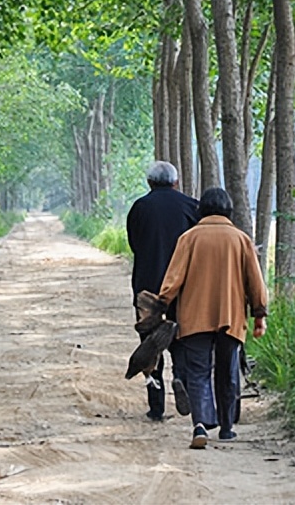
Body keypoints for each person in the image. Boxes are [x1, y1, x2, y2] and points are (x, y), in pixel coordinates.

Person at [157, 187, 268, 449]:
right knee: (228, 371)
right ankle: (227, 428)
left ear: (201, 210)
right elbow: (256, 281)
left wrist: (162, 304)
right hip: (231, 315)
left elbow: (173, 279)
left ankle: (201, 424)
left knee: (198, 371)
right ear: (228, 210)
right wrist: (259, 314)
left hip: (194, 316)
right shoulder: (241, 240)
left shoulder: (189, 238)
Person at [126, 161, 199, 421]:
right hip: (183, 287)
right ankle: (181, 378)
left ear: (149, 183)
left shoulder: (139, 208)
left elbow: (134, 244)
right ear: (176, 182)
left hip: (147, 287)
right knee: (181, 339)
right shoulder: (192, 207)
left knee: (150, 345)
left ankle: (156, 406)